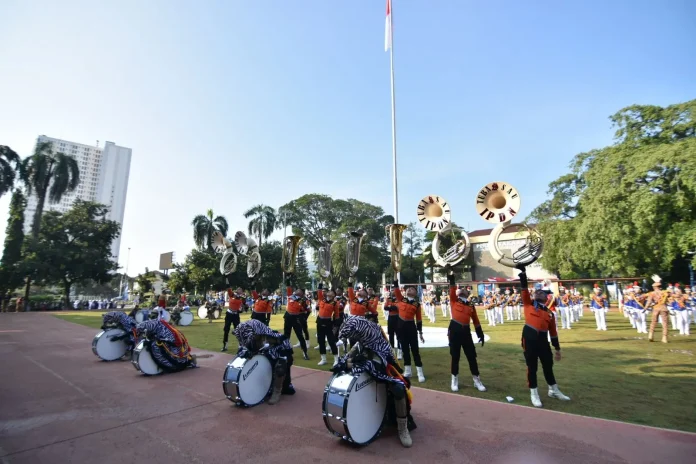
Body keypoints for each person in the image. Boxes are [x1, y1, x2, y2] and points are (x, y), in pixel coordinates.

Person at [332, 316, 416, 448]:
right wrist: (347, 361)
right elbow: (349, 357)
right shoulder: (362, 341)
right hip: (371, 366)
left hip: (385, 369)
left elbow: (377, 364)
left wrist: (353, 363)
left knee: (399, 389)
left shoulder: (378, 341)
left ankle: (403, 428)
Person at [516, 264, 570, 408]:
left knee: (548, 365)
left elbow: (553, 333)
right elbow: (524, 289)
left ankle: (553, 390)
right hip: (529, 339)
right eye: (537, 292)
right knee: (532, 366)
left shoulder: (550, 313)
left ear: (547, 298)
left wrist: (557, 348)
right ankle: (534, 393)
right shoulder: (528, 304)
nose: (539, 293)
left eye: (542, 293)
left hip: (543, 341)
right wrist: (523, 273)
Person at [234, 319, 295, 404]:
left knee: (280, 367)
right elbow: (244, 347)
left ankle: (277, 392)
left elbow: (280, 352)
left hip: (281, 351)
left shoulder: (275, 338)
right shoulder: (246, 333)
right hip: (268, 352)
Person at [446, 273, 487, 393]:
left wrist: (480, 334)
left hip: (466, 331)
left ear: (468, 294)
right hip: (454, 330)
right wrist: (452, 280)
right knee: (455, 356)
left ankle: (477, 380)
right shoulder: (454, 301)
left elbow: (476, 320)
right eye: (461, 289)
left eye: (465, 289)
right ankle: (454, 380)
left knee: (471, 356)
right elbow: (452, 290)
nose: (463, 290)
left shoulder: (471, 305)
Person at [392, 277, 425, 383]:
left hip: (411, 326)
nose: (410, 289)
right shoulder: (401, 299)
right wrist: (395, 277)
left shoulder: (417, 304)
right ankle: (408, 370)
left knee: (415, 350)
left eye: (412, 289)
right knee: (405, 349)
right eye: (408, 288)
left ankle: (420, 372)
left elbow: (419, 319)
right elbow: (396, 289)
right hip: (401, 327)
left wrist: (420, 332)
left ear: (415, 293)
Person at [284, 275, 309, 360]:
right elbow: (288, 287)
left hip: (296, 318)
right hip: (288, 317)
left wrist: (302, 308)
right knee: (286, 335)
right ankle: (286, 352)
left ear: (302, 293)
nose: (296, 291)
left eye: (299, 290)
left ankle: (305, 352)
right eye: (297, 290)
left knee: (300, 335)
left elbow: (306, 310)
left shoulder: (304, 300)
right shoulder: (290, 296)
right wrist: (288, 278)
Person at [316, 282, 340, 366]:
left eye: (332, 293)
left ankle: (336, 359)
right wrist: (320, 284)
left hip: (328, 322)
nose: (329, 293)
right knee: (321, 341)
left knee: (331, 341)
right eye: (329, 292)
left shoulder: (335, 303)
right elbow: (319, 292)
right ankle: (323, 359)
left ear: (334, 295)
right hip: (320, 321)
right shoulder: (322, 299)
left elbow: (336, 314)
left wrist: (336, 325)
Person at [222, 286, 245, 351]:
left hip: (236, 315)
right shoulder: (232, 295)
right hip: (229, 314)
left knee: (238, 330)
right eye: (238, 289)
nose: (239, 290)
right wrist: (227, 281)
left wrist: (241, 309)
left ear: (242, 292)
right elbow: (229, 289)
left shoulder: (242, 298)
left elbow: (243, 307)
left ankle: (240, 345)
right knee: (226, 330)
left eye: (240, 289)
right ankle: (225, 345)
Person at [383, 287, 402, 360]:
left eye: (394, 290)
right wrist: (392, 307)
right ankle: (392, 351)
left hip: (397, 317)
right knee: (391, 335)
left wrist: (391, 307)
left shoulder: (399, 299)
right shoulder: (389, 299)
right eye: (392, 290)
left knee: (399, 335)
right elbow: (385, 307)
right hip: (390, 318)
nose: (392, 291)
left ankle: (399, 351)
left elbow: (398, 308)